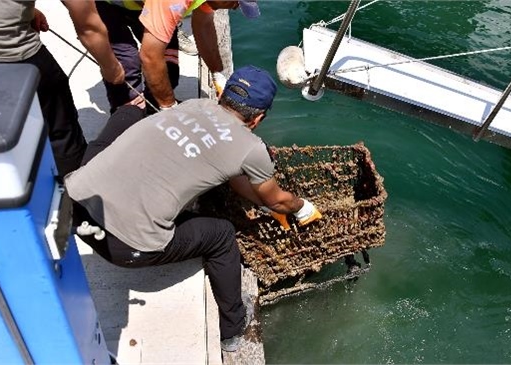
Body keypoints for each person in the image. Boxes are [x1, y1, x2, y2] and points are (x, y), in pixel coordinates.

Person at [65, 65, 322, 352]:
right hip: (125, 246)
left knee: (128, 115)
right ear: (258, 118)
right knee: (222, 236)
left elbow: (232, 174)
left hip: (76, 209)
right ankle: (233, 329)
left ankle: (124, 113)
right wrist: (301, 207)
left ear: (223, 96)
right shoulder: (251, 148)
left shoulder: (196, 104)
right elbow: (276, 201)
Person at [0, 0, 125, 178]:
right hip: (15, 61)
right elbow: (89, 26)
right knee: (62, 136)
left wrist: (25, 10)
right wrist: (111, 68)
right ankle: (75, 193)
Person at [96, 0, 260, 114]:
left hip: (147, 5)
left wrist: (218, 73)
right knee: (127, 72)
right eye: (237, 1)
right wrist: (170, 108)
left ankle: (153, 112)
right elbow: (150, 56)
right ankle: (127, 128)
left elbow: (203, 24)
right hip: (109, 5)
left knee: (169, 69)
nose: (235, 7)